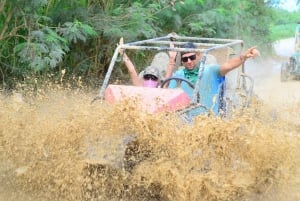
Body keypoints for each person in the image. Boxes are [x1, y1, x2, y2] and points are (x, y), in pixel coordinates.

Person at [166, 42, 260, 115]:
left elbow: (228, 65)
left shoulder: (210, 70)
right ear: (182, 61)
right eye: (185, 59)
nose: (189, 61)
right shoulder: (178, 75)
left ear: (198, 55)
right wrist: (171, 61)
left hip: (209, 118)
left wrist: (243, 56)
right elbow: (164, 95)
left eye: (192, 57)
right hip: (185, 119)